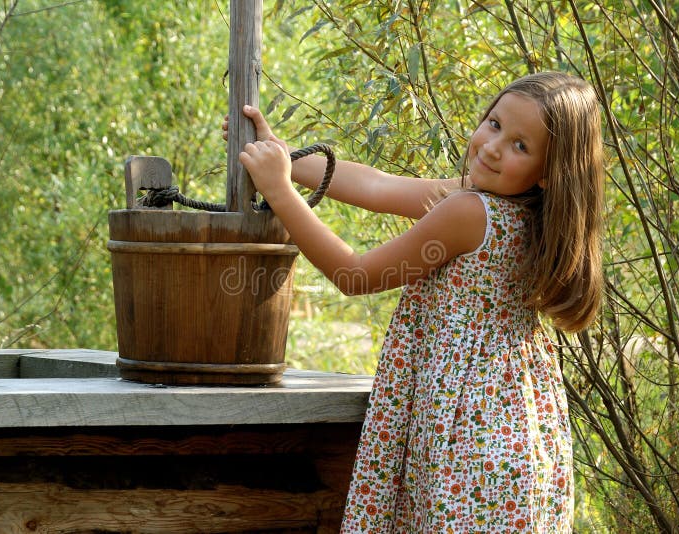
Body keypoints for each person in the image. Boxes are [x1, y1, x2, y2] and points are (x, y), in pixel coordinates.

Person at [226, 71, 604, 532]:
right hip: (513, 433)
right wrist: (283, 157)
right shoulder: (524, 214)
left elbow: (355, 274)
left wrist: (281, 191)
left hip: (467, 437)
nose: (492, 146)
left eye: (520, 145)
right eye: (494, 123)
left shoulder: (468, 212)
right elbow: (377, 187)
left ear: (548, 172)